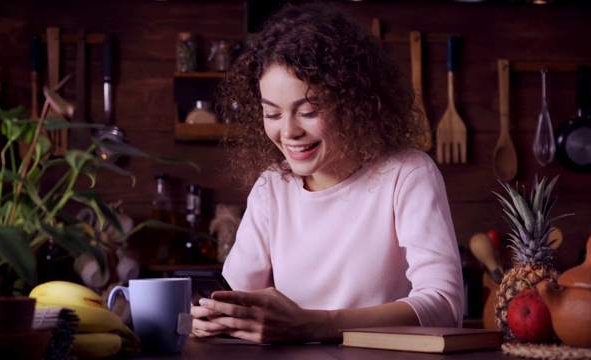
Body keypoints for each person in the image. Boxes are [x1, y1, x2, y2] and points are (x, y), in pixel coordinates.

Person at [191, 1, 464, 344]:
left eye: (308, 110)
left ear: (353, 102)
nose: (288, 132)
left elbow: (444, 304)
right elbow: (238, 298)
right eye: (272, 114)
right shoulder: (271, 188)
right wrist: (211, 318)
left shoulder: (406, 174)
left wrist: (315, 325)